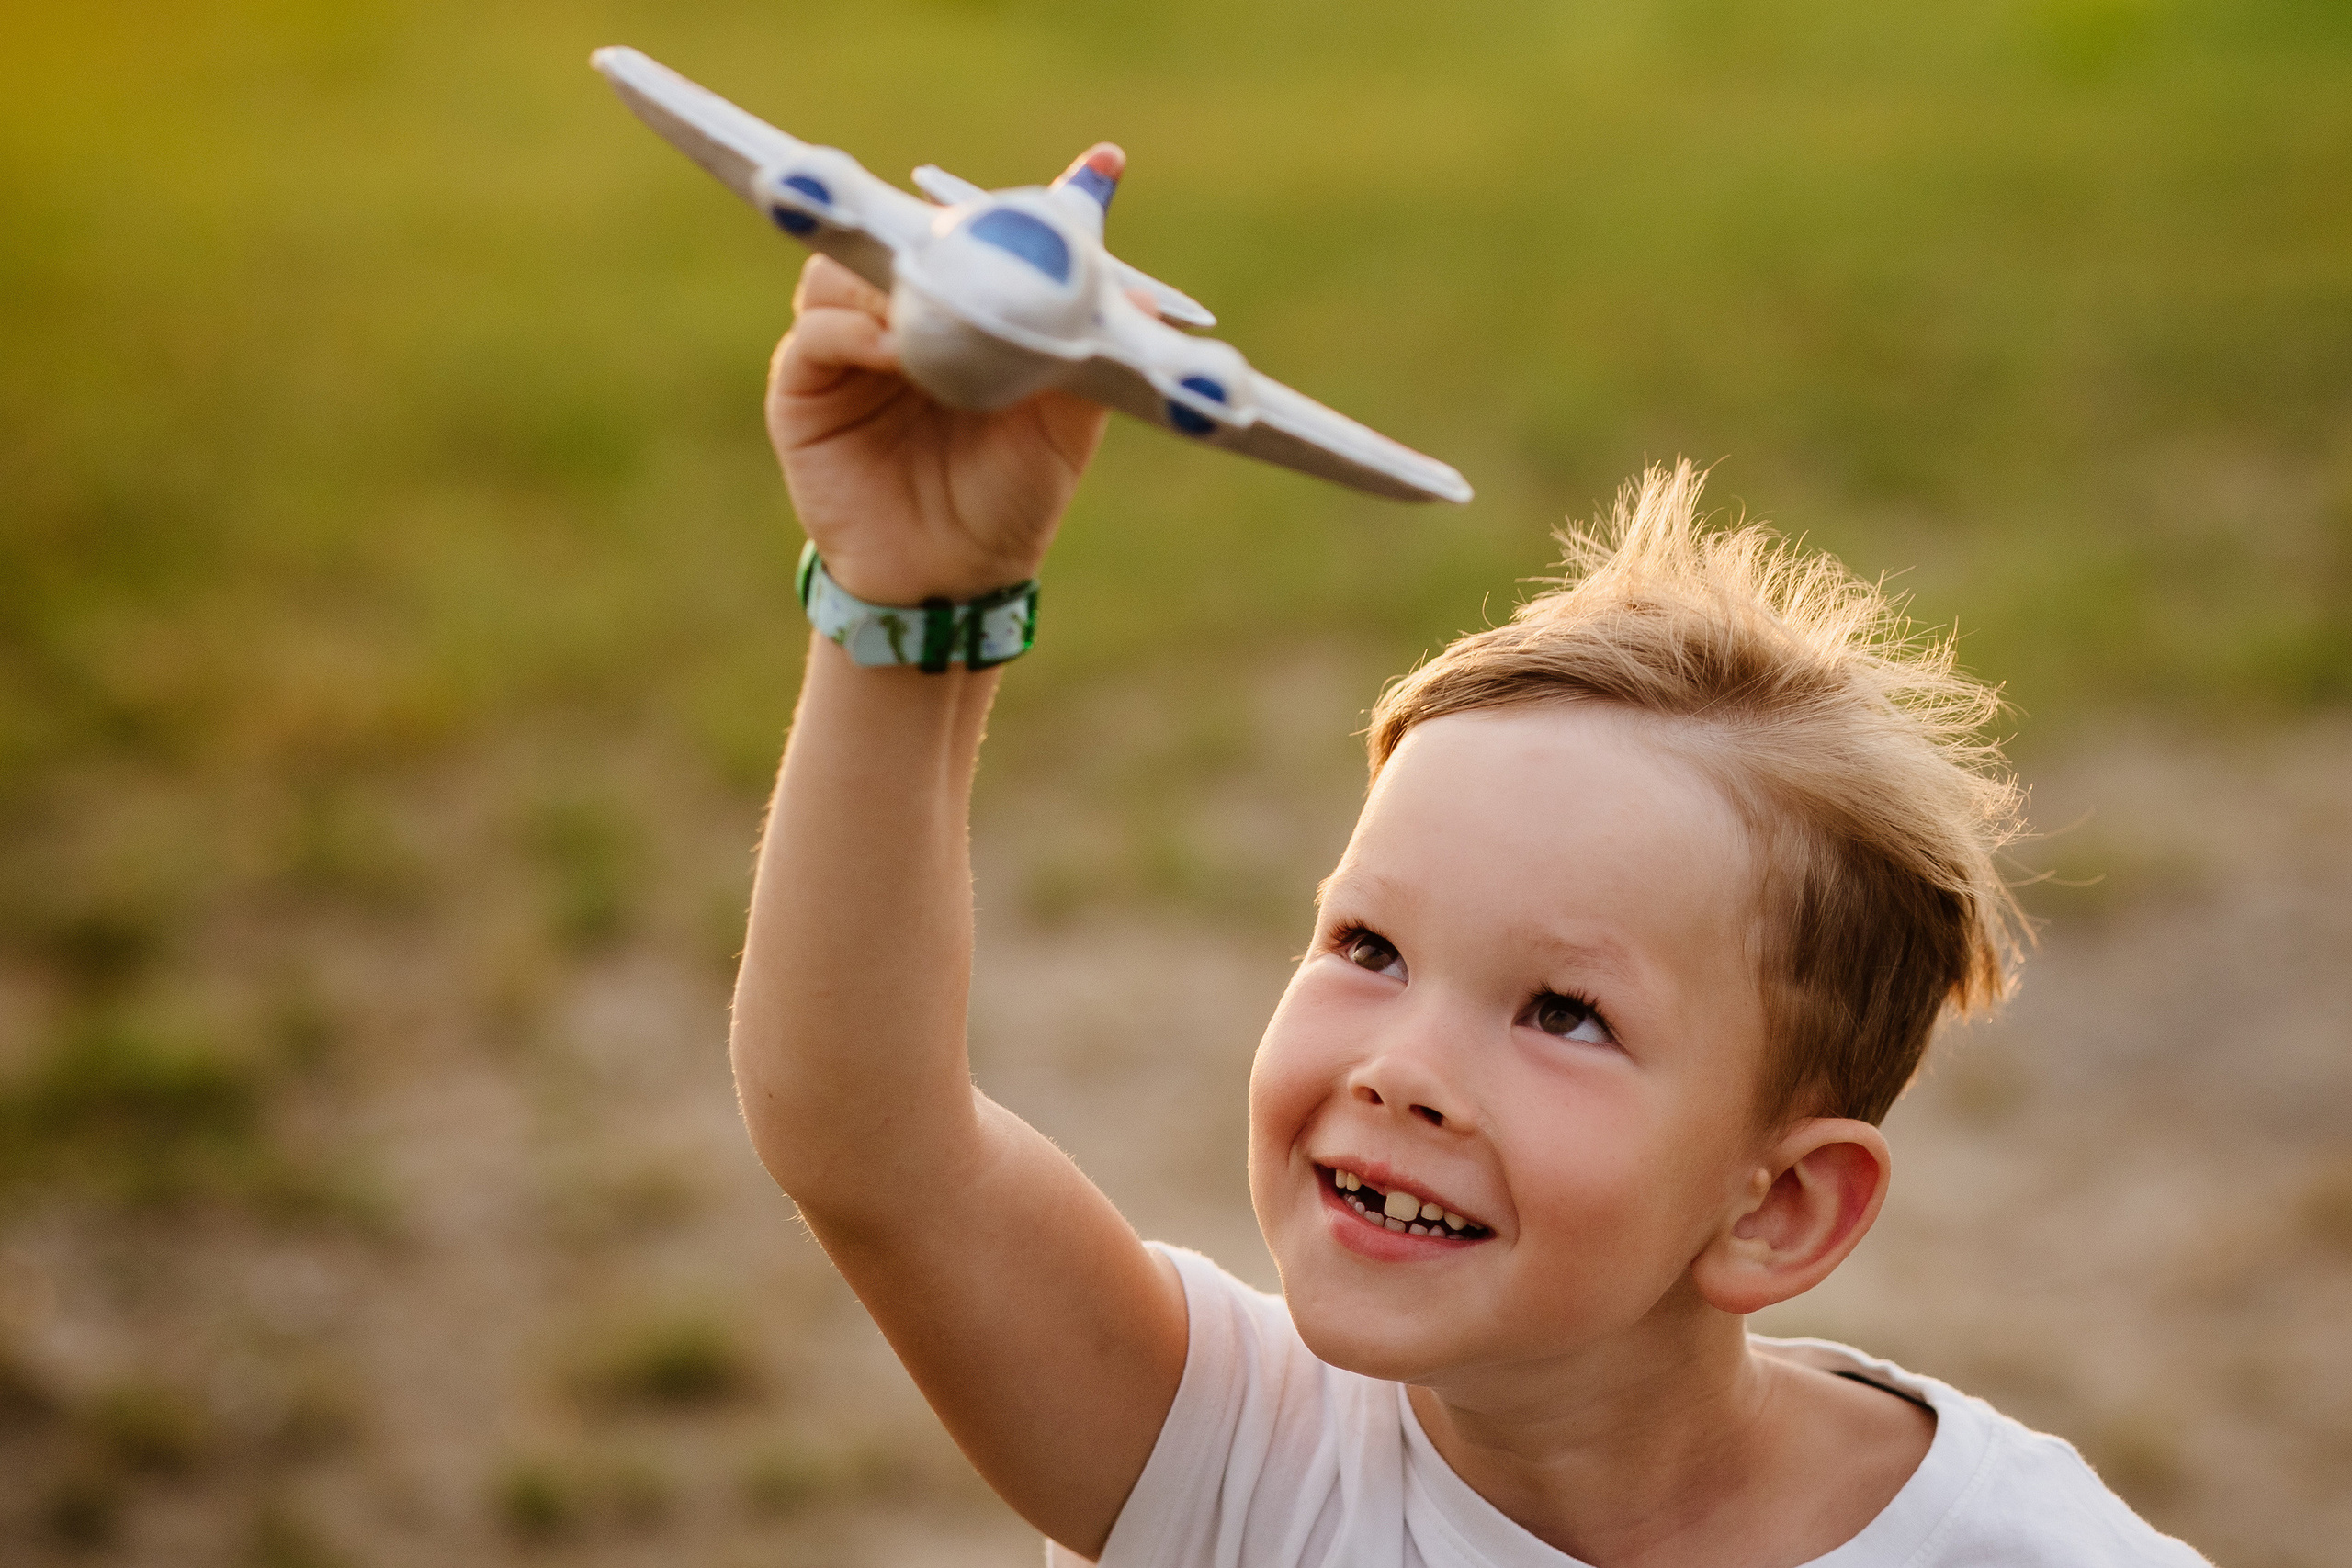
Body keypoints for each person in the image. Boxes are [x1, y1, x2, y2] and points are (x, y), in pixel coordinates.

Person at [730, 232, 2210, 1566]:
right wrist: (911, 607)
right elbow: (869, 1139)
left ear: (1781, 1207)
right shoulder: (1229, 1461)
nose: (1401, 1070)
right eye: (1367, 945)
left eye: (1564, 1013)